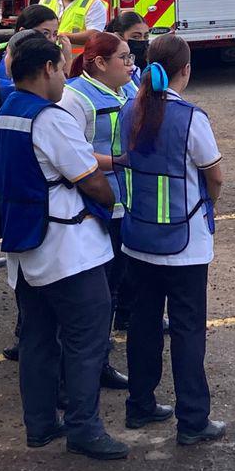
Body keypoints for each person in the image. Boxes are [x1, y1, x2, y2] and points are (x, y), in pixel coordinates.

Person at [0, 33, 129, 460]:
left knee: (37, 338)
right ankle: (85, 428)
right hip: (68, 248)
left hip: (25, 245)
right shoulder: (50, 118)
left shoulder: (3, 114)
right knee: (87, 339)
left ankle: (41, 424)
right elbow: (90, 178)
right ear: (47, 68)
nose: (66, 77)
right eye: (63, 68)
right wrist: (109, 201)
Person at [115, 33, 227, 446]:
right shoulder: (190, 117)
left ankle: (140, 405)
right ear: (186, 70)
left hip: (138, 238)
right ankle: (193, 421)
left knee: (143, 325)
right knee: (187, 331)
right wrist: (207, 203)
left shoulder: (129, 109)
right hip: (185, 243)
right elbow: (214, 175)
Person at [61, 31, 140, 388]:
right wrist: (120, 162)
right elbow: (71, 152)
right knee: (95, 294)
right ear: (99, 63)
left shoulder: (128, 89)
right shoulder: (74, 97)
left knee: (115, 286)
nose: (131, 64)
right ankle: (84, 368)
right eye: (124, 57)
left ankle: (99, 360)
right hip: (95, 207)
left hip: (126, 205)